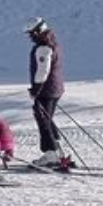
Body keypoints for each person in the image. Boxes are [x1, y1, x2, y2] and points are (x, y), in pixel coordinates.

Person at [26, 17, 67, 167]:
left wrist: (36, 89)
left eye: (31, 33)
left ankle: (51, 155)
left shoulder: (43, 48)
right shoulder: (53, 43)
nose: (30, 37)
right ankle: (58, 151)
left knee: (43, 120)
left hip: (46, 90)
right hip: (55, 88)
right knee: (47, 119)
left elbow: (43, 71)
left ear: (38, 31)